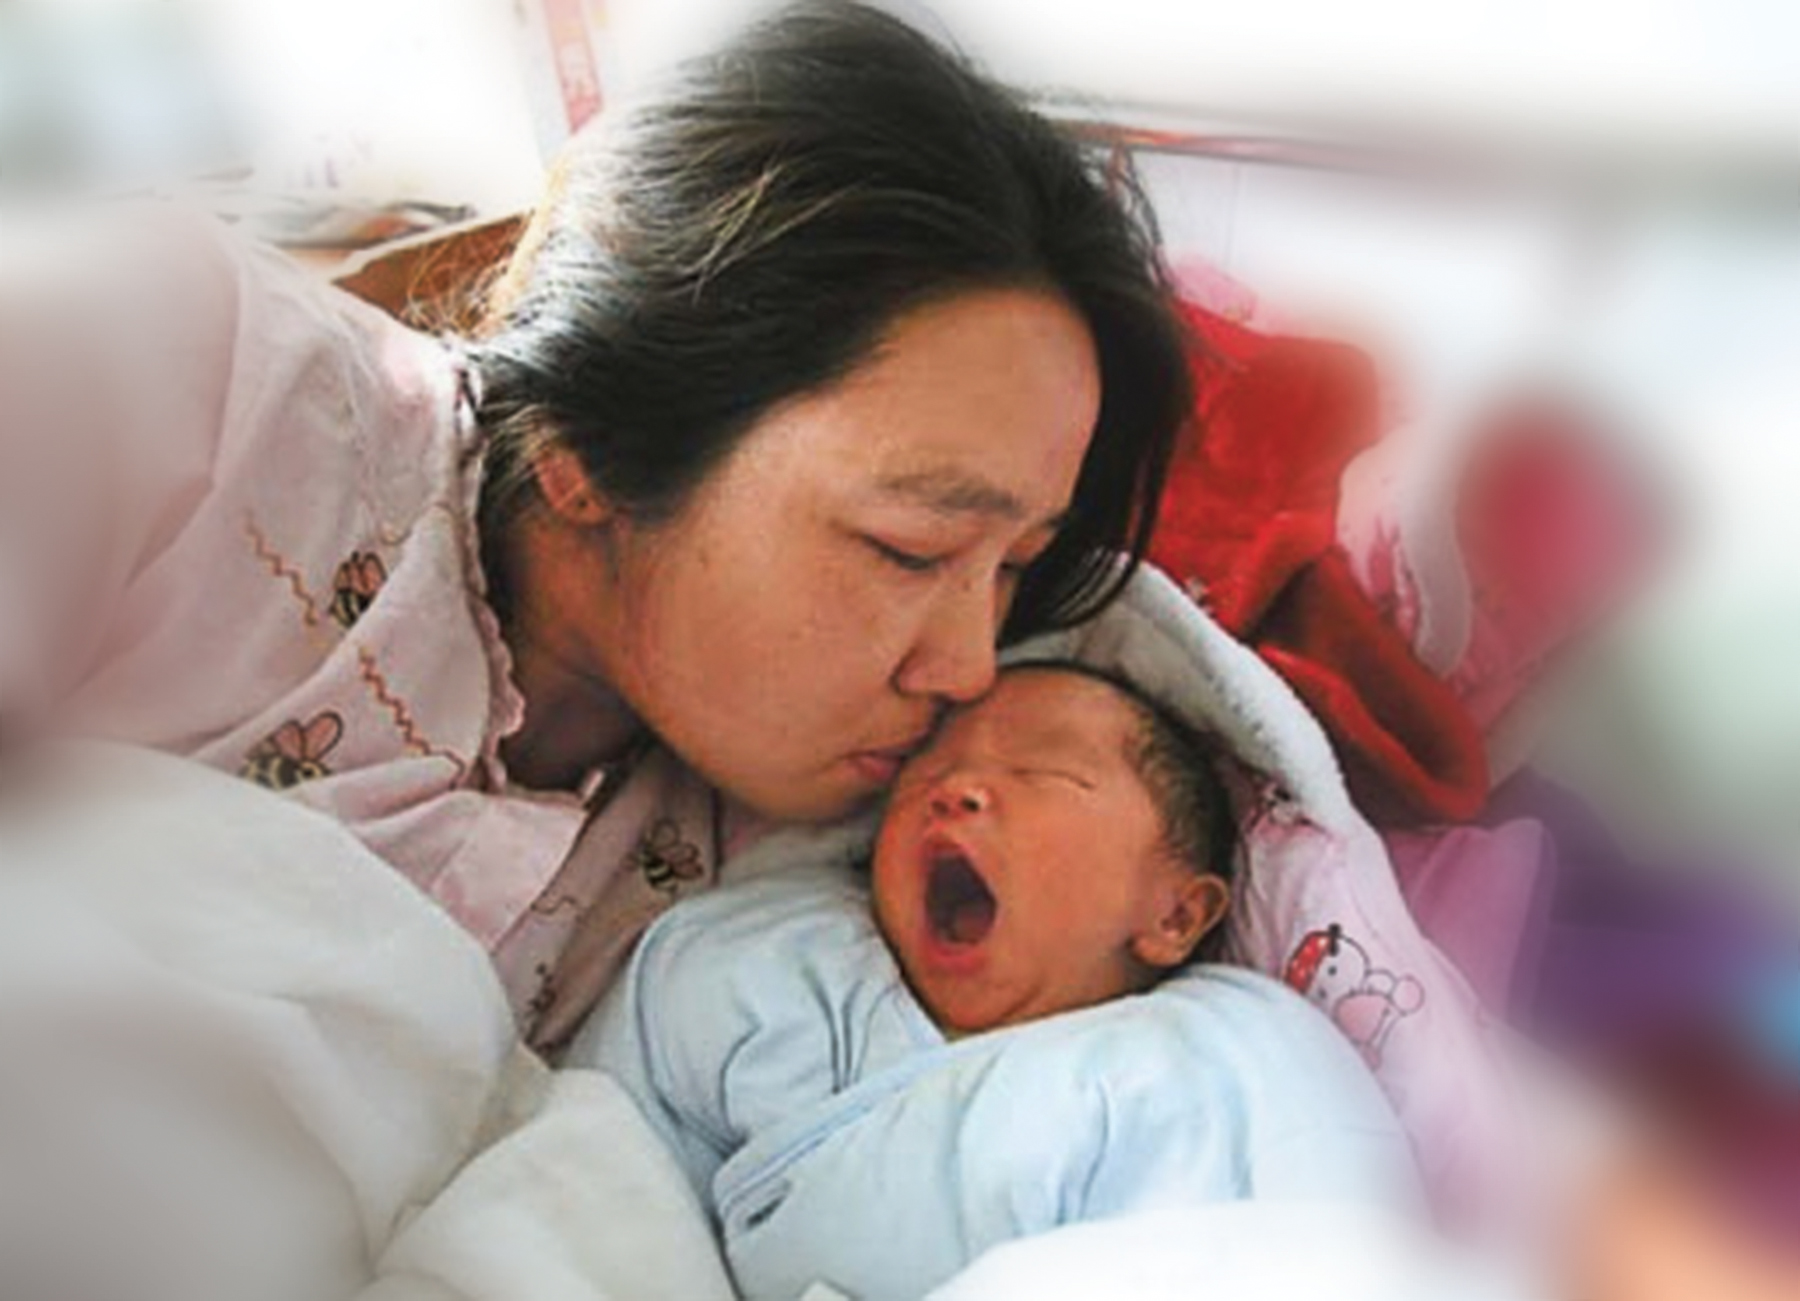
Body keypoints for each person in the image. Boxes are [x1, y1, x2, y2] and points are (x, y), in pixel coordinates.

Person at [0, 1, 1193, 1048]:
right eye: (909, 549)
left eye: (1017, 566)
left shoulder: (798, 861)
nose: (969, 666)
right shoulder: (168, 368)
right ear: (592, 449)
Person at [572, 662, 1420, 1301]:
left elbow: (1311, 1239)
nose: (957, 790)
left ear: (1175, 913)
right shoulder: (770, 960)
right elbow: (593, 1167)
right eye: (925, 769)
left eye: (1041, 772)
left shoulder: (1215, 1055)